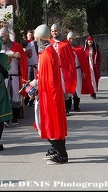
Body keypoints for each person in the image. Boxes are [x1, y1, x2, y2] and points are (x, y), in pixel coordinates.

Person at [30, 24, 68, 164]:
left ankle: (61, 153)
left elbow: (50, 79)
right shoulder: (47, 53)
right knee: (45, 120)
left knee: (53, 121)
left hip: (50, 94)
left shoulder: (48, 54)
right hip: (48, 93)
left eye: (36, 38)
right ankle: (55, 148)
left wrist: (37, 83)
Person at [0, 27, 27, 125]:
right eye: (0, 36)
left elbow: (23, 59)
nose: (1, 38)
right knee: (5, 97)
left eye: (2, 36)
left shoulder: (17, 46)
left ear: (7, 35)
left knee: (16, 96)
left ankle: (15, 118)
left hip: (15, 76)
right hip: (4, 77)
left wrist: (19, 57)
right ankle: (6, 119)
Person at [50, 23, 77, 114]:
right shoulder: (49, 42)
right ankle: (57, 108)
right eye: (53, 31)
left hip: (63, 69)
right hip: (53, 70)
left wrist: (70, 69)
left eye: (56, 30)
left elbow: (71, 58)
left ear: (59, 30)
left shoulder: (65, 43)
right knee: (55, 89)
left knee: (64, 89)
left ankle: (65, 108)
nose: (54, 32)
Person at [67, 32, 94, 111]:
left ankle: (76, 106)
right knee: (68, 88)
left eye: (72, 39)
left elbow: (83, 62)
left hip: (77, 70)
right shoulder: (65, 49)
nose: (70, 40)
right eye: (69, 39)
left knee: (77, 88)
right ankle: (67, 106)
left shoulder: (79, 49)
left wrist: (83, 72)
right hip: (68, 72)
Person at [24, 29, 38, 107]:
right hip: (28, 67)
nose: (30, 36)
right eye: (29, 34)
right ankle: (26, 100)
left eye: (31, 35)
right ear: (26, 35)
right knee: (27, 83)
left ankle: (31, 101)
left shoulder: (35, 43)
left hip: (34, 66)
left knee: (34, 83)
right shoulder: (25, 44)